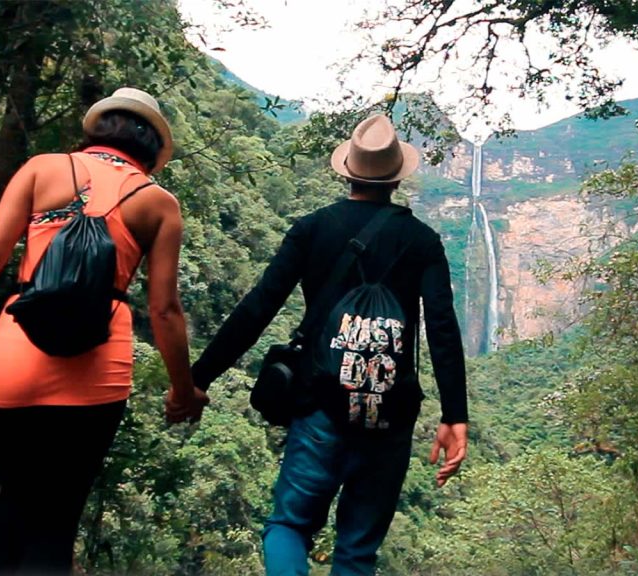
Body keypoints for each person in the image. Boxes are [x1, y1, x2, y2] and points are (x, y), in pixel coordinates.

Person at [0, 87, 208, 574]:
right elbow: (166, 311)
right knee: (58, 516)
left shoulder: (42, 168)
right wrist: (182, 390)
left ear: (97, 130)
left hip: (14, 356)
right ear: (152, 148)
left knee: (17, 495)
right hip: (96, 370)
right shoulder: (159, 203)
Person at [191, 114, 469, 575]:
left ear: (347, 172)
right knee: (358, 550)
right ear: (397, 179)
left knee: (290, 526)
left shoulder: (312, 229)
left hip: (320, 401)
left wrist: (198, 378)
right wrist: (454, 415)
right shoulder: (422, 241)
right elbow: (441, 326)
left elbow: (258, 307)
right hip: (390, 411)